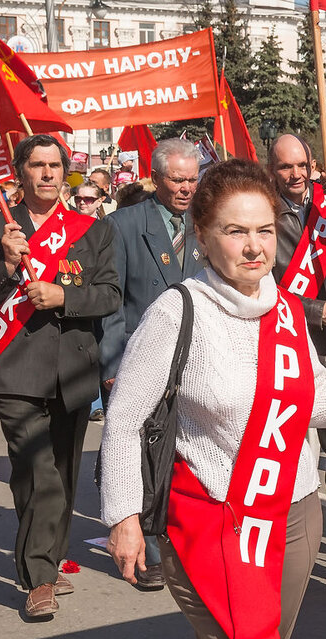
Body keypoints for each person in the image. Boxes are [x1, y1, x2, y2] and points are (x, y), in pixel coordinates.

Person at [101, 159, 326, 639]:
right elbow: (125, 418)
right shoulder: (177, 310)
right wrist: (123, 517)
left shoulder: (282, 309)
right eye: (234, 230)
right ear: (200, 235)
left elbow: (317, 406)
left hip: (296, 510)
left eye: (265, 229)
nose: (253, 246)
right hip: (214, 517)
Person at [0, 134, 121, 619]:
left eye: (56, 165)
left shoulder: (93, 230)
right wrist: (8, 266)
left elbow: (110, 295)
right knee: (38, 472)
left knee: (61, 477)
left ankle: (44, 559)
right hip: (16, 371)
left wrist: (64, 299)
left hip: (73, 370)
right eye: (38, 165)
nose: (48, 173)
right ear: (20, 171)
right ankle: (39, 580)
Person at [99, 137, 205, 589]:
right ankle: (147, 546)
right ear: (156, 178)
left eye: (192, 180)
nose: (185, 189)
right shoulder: (124, 225)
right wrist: (112, 364)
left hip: (195, 359)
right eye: (177, 180)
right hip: (139, 357)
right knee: (142, 454)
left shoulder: (207, 222)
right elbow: (111, 302)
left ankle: (183, 538)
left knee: (185, 452)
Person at [267, 133, 326, 560]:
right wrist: (313, 310)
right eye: (286, 167)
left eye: (302, 166)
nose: (296, 174)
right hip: (292, 333)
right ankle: (282, 524)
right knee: (287, 435)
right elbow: (259, 285)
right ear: (272, 169)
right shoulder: (263, 212)